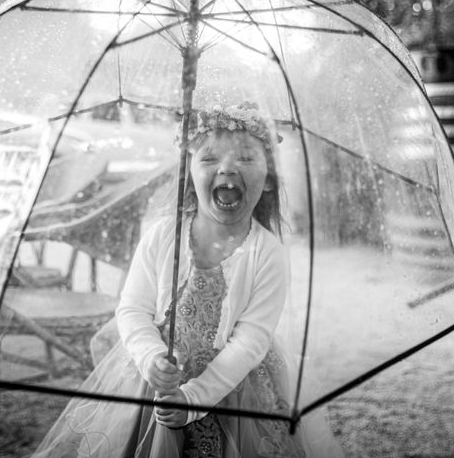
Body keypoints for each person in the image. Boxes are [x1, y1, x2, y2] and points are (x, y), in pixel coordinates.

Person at [31, 103, 344, 458]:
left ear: (269, 179)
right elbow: (133, 309)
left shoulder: (267, 255)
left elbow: (251, 340)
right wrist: (150, 358)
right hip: (154, 378)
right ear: (189, 174)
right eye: (209, 159)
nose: (227, 167)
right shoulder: (162, 236)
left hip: (231, 386)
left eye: (245, 158)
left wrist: (194, 399)